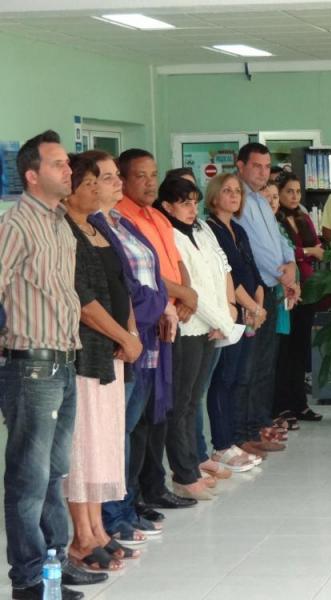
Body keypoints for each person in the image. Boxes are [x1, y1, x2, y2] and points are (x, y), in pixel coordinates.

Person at [0, 130, 91, 600]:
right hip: (31, 367)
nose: (68, 170)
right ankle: (29, 580)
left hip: (64, 362)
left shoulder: (59, 224)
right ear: (33, 175)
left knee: (55, 474)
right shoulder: (15, 224)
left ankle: (56, 565)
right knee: (28, 479)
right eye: (58, 165)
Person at [63, 153, 143, 573]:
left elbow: (120, 285)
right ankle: (82, 534)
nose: (99, 190)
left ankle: (97, 528)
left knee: (103, 441)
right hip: (87, 350)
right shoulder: (64, 231)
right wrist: (123, 336)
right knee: (83, 443)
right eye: (92, 182)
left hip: (112, 348)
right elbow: (83, 299)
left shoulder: (95, 226)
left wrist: (129, 330)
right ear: (73, 187)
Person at [88, 151, 174, 542]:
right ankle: (112, 513)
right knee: (114, 433)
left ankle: (126, 503)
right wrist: (150, 310)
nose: (116, 184)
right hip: (123, 340)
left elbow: (152, 272)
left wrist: (163, 306)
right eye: (108, 177)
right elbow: (120, 286)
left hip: (145, 336)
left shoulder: (120, 221)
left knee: (133, 426)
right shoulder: (92, 228)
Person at [115, 149, 199, 514]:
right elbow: (140, 275)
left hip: (169, 318)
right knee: (137, 419)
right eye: (141, 176)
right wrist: (180, 294)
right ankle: (130, 498)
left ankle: (154, 487)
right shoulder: (119, 217)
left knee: (157, 412)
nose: (150, 182)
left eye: (153, 174)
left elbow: (175, 261)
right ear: (121, 179)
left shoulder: (153, 216)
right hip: (146, 324)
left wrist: (188, 293)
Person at [155, 176, 239, 500]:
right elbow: (193, 291)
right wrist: (222, 320)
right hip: (190, 329)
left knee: (194, 401)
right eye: (184, 202)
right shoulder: (170, 234)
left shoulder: (203, 230)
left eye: (194, 201)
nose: (192, 208)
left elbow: (221, 270)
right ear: (167, 206)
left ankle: (193, 465)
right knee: (182, 403)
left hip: (212, 326)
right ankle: (184, 473)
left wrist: (228, 313)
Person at [234, 143, 298, 454]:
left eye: (266, 166)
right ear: (240, 165)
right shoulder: (239, 201)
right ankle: (245, 431)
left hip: (271, 290)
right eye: (256, 166)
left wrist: (291, 267)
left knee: (265, 366)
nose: (263, 172)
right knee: (249, 367)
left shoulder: (261, 201)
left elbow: (279, 242)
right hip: (252, 295)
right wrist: (281, 272)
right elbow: (253, 251)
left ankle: (260, 424)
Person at [205, 173, 270, 471]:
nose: (234, 196)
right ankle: (222, 443)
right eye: (227, 191)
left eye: (237, 192)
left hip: (248, 311)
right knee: (225, 379)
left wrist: (258, 305)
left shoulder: (238, 230)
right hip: (231, 312)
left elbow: (251, 270)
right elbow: (228, 274)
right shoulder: (212, 229)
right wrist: (251, 306)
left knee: (242, 377)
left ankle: (233, 439)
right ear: (215, 196)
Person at [274, 172, 324, 422]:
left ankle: (300, 403)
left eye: (297, 191)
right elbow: (285, 252)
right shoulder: (275, 218)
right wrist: (307, 252)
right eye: (288, 192)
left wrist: (305, 253)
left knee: (301, 350)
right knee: (285, 351)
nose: (294, 196)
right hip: (287, 289)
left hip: (308, 287)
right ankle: (282, 405)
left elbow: (317, 247)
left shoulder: (304, 217)